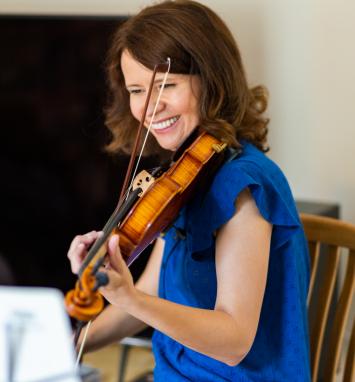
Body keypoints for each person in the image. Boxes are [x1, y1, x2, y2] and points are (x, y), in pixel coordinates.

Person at [67, 1, 311, 380]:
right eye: (136, 89)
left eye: (166, 84)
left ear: (211, 81)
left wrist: (129, 295)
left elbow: (234, 341)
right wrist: (65, 347)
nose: (150, 105)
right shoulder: (184, 178)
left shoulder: (242, 184)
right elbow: (149, 294)